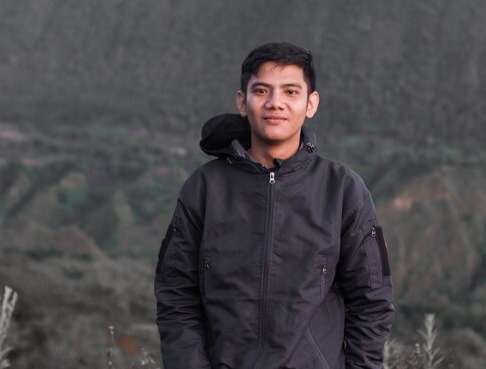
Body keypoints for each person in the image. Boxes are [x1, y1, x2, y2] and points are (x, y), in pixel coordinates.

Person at [154, 42, 394, 369]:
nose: (275, 103)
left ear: (311, 104)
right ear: (242, 101)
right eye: (262, 90)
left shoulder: (342, 191)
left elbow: (373, 302)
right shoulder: (206, 188)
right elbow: (176, 295)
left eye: (291, 92)